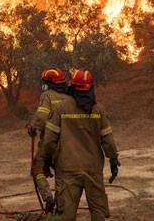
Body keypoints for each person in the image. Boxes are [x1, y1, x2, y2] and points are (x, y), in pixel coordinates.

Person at [42, 70, 119, 221]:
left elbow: (50, 140)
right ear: (91, 88)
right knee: (98, 211)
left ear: (72, 87)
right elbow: (108, 141)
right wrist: (114, 160)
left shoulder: (61, 109)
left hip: (67, 169)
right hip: (93, 168)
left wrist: (47, 160)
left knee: (66, 214)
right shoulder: (99, 110)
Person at [27, 67, 73, 213]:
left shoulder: (47, 96)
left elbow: (41, 117)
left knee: (37, 169)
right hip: (67, 144)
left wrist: (33, 128)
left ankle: (48, 198)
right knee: (61, 175)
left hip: (49, 142)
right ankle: (61, 209)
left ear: (48, 83)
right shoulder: (69, 98)